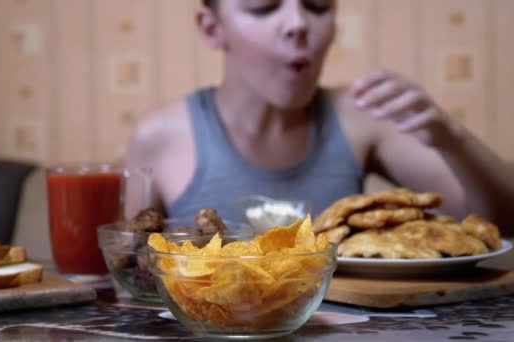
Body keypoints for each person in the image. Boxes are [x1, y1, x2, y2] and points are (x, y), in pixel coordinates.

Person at [125, 0, 514, 235]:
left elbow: (498, 223)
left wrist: (453, 139)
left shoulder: (360, 115)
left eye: (318, 6)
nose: (298, 24)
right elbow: (130, 276)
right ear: (212, 28)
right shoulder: (161, 137)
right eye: (264, 7)